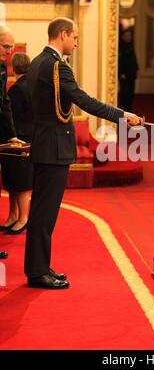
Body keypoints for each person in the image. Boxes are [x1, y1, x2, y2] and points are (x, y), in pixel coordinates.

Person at [24, 17, 142, 289]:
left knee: (42, 211)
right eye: (75, 37)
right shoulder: (56, 67)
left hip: (44, 143)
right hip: (53, 147)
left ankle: (39, 267)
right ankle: (38, 272)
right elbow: (85, 101)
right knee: (45, 213)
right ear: (63, 34)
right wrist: (123, 115)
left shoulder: (37, 62)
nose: (76, 42)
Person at [1, 53, 33, 235]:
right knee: (13, 180)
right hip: (25, 138)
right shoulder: (31, 85)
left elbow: (8, 116)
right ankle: (13, 216)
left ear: (13, 67)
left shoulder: (17, 89)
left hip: (16, 140)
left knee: (19, 182)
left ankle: (22, 218)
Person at [0, 25, 24, 259]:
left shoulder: (1, 67)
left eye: (11, 47)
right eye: (5, 46)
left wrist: (11, 134)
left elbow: (5, 103)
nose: (9, 51)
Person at [118, 29, 139, 112]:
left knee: (131, 92)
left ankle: (129, 108)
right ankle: (124, 110)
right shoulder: (120, 46)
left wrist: (136, 69)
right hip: (124, 74)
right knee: (124, 93)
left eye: (130, 36)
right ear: (123, 37)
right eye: (126, 36)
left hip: (132, 73)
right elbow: (120, 61)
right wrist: (121, 73)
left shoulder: (130, 44)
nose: (128, 37)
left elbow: (133, 59)